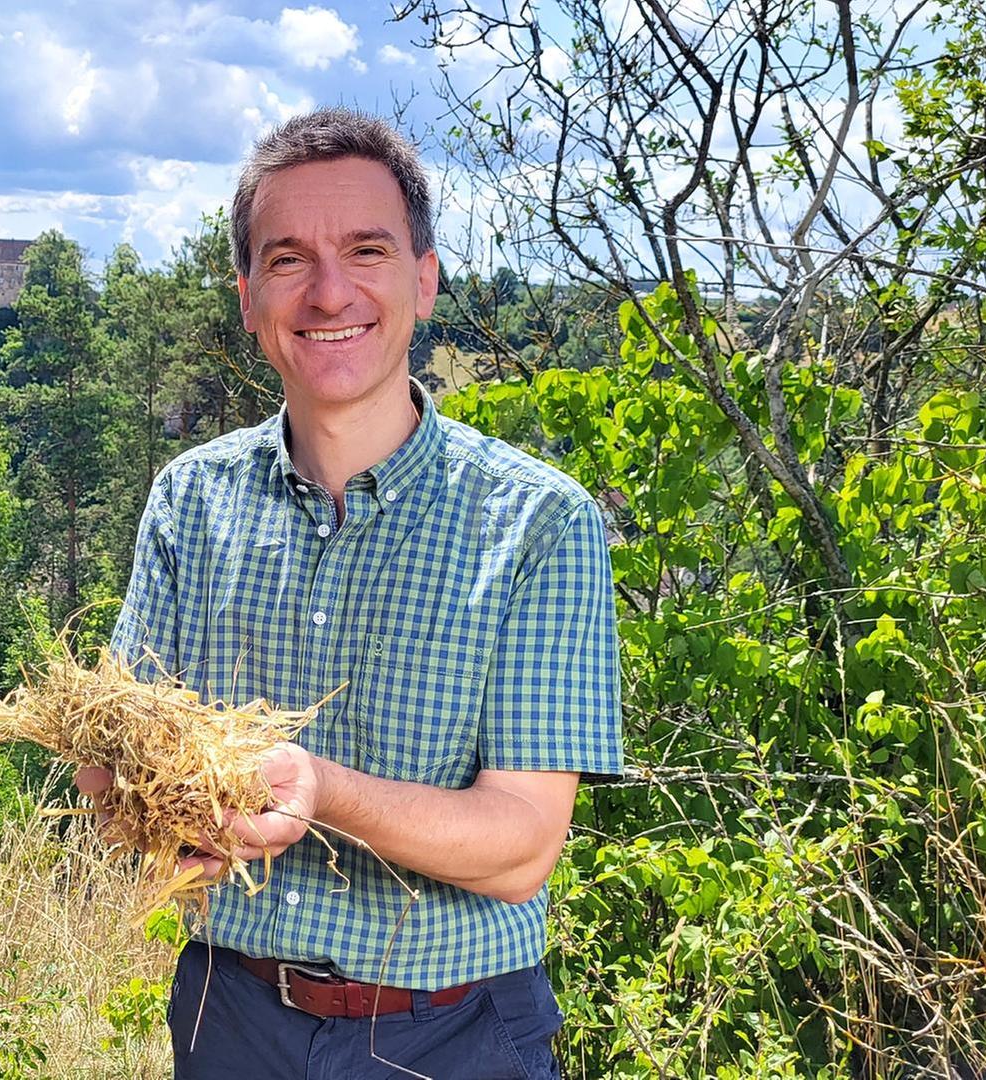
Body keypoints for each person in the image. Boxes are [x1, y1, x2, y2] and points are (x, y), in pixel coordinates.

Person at [83, 107, 622, 1079]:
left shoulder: (542, 523)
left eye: (366, 249)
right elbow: (114, 765)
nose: (329, 291)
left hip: (456, 1037)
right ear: (248, 298)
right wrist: (144, 807)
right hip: (228, 1014)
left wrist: (318, 792)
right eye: (288, 260)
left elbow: (522, 845)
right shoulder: (192, 499)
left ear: (424, 279)